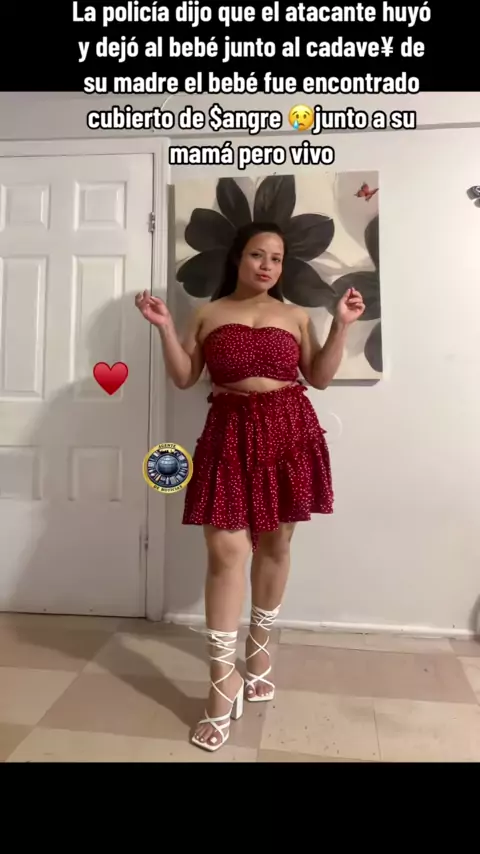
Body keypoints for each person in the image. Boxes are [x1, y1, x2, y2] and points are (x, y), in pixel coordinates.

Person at [135, 221, 365, 752]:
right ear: (238, 258)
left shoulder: (296, 316)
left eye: (277, 259)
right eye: (258, 255)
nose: (267, 266)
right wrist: (165, 328)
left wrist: (342, 325)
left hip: (288, 431)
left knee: (276, 545)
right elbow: (184, 377)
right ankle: (222, 683)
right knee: (225, 551)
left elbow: (320, 377)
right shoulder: (208, 313)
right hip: (229, 433)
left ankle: (258, 652)